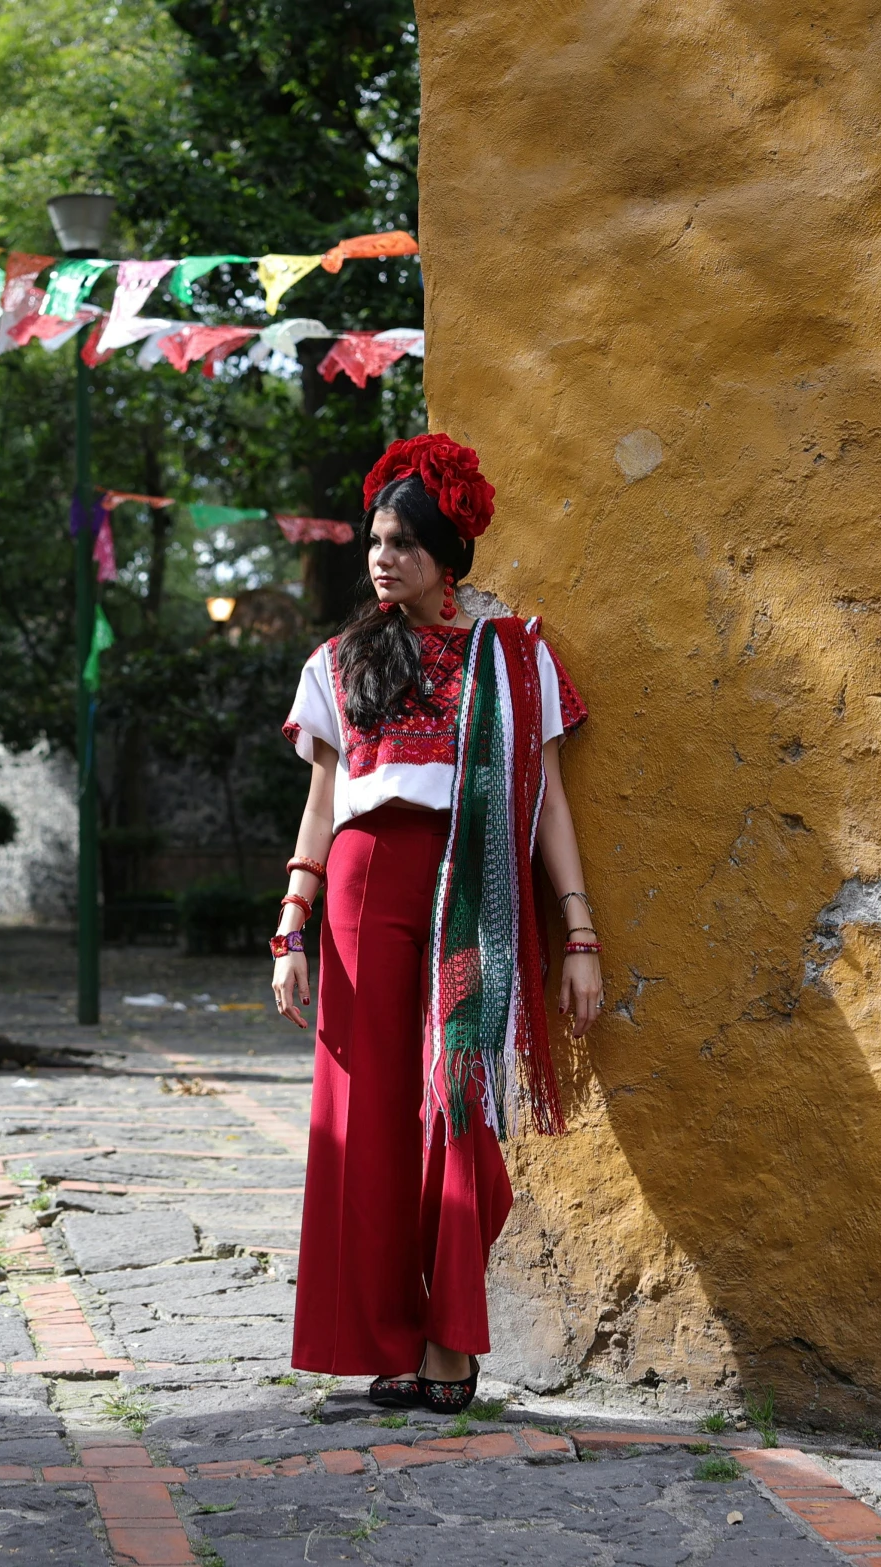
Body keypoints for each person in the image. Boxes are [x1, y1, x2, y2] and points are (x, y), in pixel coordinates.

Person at [271, 431, 603, 1413]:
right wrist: (292, 922)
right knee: (362, 1120)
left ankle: (447, 1342)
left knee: (455, 1106)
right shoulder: (338, 662)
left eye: (404, 542)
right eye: (375, 539)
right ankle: (382, 1341)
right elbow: (325, 797)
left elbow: (546, 804)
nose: (382, 557)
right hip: (362, 893)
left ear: (447, 554)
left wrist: (577, 934)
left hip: (471, 895)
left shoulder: (513, 661)